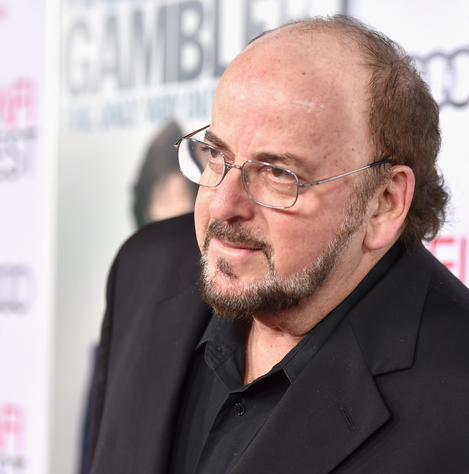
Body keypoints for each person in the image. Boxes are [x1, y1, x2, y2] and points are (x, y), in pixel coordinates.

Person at [87, 14, 469, 474]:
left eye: (277, 174)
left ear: (383, 203)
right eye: (215, 156)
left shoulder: (455, 399)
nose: (222, 205)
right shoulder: (144, 270)